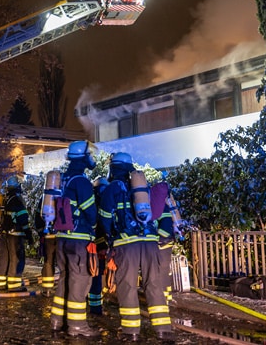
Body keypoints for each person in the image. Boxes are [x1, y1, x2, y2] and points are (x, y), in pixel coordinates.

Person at [98, 152, 173, 342]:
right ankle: (163, 329)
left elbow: (105, 219)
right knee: (154, 284)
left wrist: (109, 240)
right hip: (150, 243)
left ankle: (131, 331)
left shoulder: (112, 188)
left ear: (113, 168)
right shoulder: (143, 188)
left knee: (128, 286)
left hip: (126, 244)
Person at [49, 141, 100, 338]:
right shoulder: (81, 181)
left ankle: (57, 321)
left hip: (62, 238)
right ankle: (77, 326)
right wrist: (94, 227)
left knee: (64, 280)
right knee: (79, 282)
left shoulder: (62, 180)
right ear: (83, 157)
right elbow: (90, 212)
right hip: (79, 240)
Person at [0, 175, 33, 292]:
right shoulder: (16, 199)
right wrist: (29, 235)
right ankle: (14, 285)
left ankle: (0, 283)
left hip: (4, 234)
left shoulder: (6, 199)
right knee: (16, 259)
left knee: (4, 259)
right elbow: (23, 218)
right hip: (15, 235)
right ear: (17, 186)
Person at [88, 176, 109, 316]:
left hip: (90, 244)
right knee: (96, 275)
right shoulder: (104, 202)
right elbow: (102, 226)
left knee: (92, 275)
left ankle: (93, 304)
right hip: (99, 245)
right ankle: (96, 308)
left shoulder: (91, 201)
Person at [34, 197, 56, 297]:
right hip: (63, 235)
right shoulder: (66, 192)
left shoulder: (45, 198)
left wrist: (41, 232)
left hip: (48, 235)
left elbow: (38, 217)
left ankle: (47, 290)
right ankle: (65, 291)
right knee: (65, 263)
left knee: (48, 262)